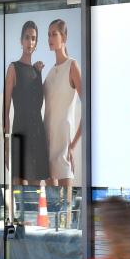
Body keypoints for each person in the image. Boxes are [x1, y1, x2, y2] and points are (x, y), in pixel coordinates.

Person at [3, 20, 49, 185]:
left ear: (36, 43)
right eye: (27, 38)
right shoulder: (13, 69)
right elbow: (5, 111)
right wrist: (6, 145)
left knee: (38, 188)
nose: (30, 42)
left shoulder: (37, 71)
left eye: (34, 38)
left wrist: (37, 70)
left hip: (38, 134)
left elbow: (38, 105)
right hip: (20, 135)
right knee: (18, 187)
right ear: (21, 41)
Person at [43, 18, 81, 187]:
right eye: (48, 35)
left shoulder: (72, 66)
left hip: (64, 147)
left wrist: (73, 146)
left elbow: (89, 109)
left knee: (68, 205)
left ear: (64, 37)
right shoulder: (49, 73)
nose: (50, 38)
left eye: (54, 34)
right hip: (47, 145)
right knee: (50, 208)